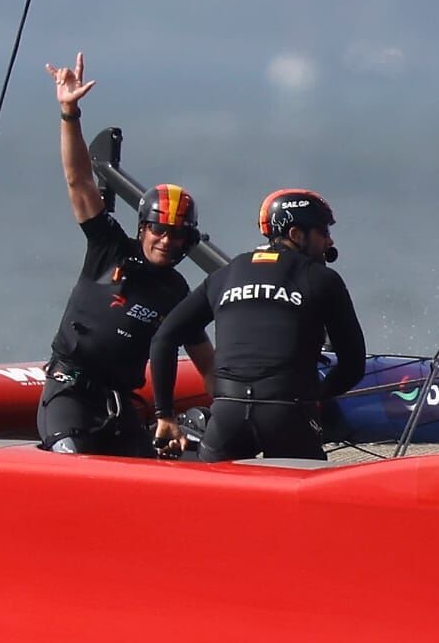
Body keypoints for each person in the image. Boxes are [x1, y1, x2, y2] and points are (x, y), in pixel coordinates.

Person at [38, 52, 214, 456]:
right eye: (158, 230)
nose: (165, 241)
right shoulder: (109, 247)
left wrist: (238, 415)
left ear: (187, 241)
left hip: (120, 411)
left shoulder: (177, 292)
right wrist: (69, 113)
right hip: (69, 396)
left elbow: (208, 365)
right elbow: (78, 180)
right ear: (142, 229)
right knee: (73, 465)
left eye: (176, 235)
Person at [148, 188, 366, 462]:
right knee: (302, 489)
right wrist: (317, 396)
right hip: (288, 412)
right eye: (323, 231)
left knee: (217, 487)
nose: (329, 240)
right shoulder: (323, 278)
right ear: (296, 234)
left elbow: (164, 338)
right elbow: (353, 365)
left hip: (227, 413)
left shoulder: (224, 275)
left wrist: (164, 415)